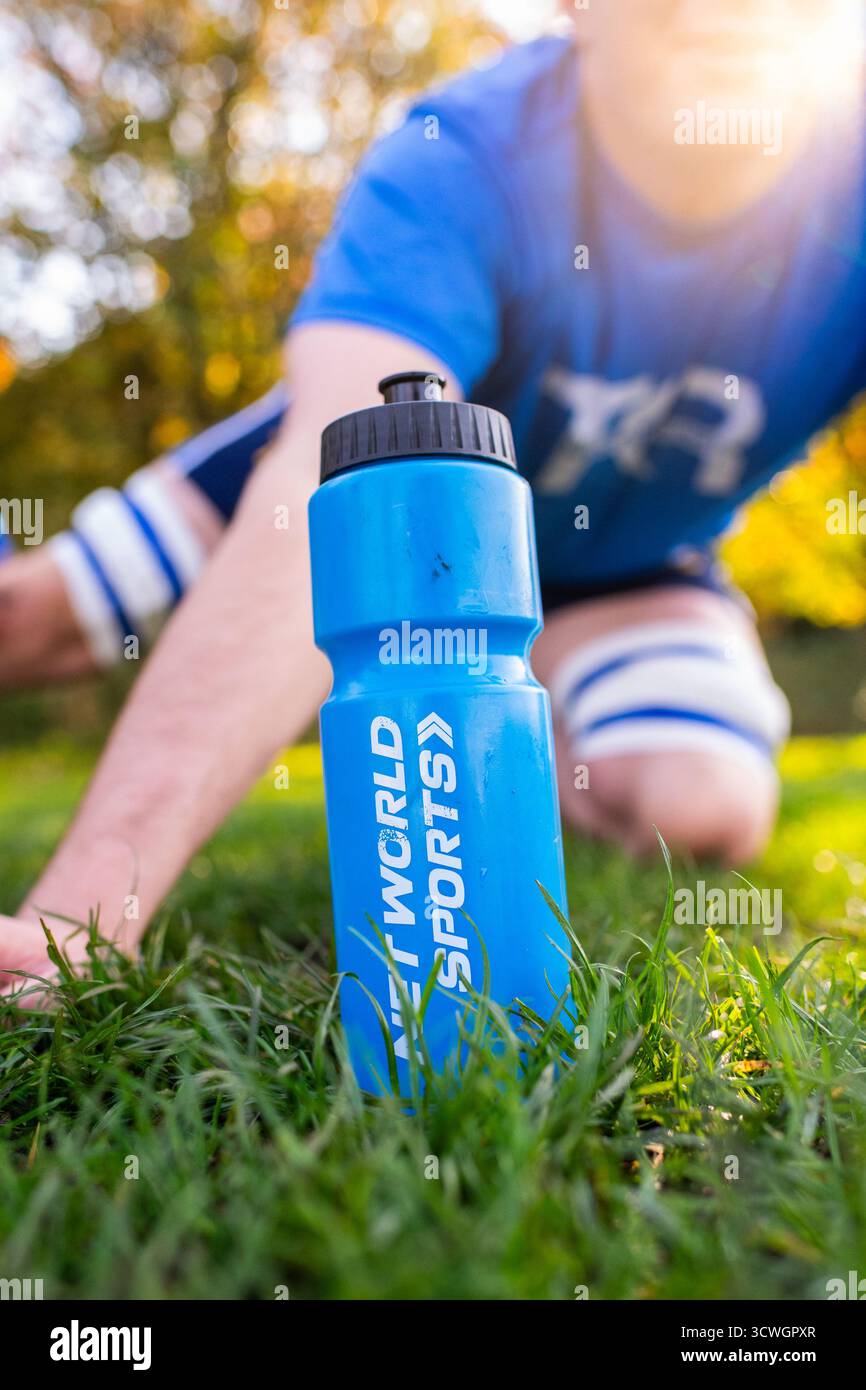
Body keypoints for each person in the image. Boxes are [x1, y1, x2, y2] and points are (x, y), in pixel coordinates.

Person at [1, 0, 864, 993]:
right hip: (374, 495)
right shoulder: (464, 154)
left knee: (699, 806)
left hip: (624, 568)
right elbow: (339, 485)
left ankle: (503, 672)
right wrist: (87, 910)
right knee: (28, 622)